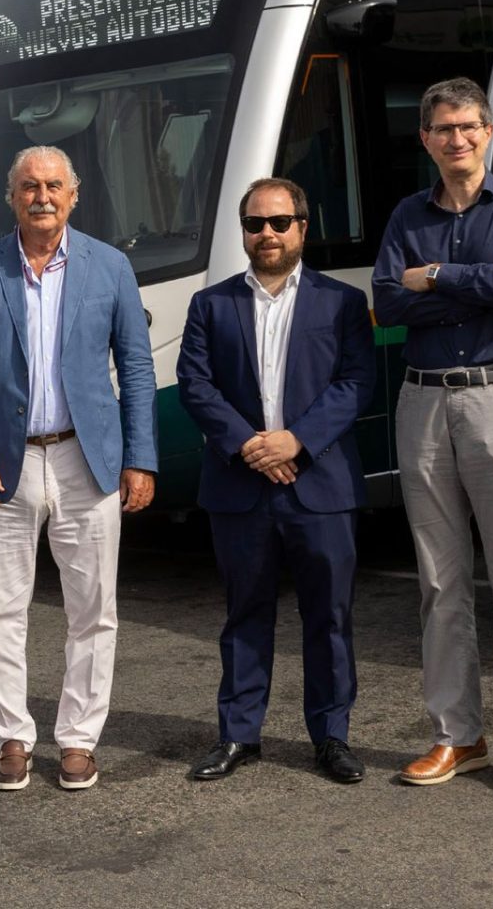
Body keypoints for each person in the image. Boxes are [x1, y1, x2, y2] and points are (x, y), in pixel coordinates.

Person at [0, 145, 156, 793]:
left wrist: (140, 457)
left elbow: (138, 369)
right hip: (1, 465)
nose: (42, 195)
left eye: (53, 185)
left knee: (93, 609)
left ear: (74, 193)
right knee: (0, 609)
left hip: (84, 459)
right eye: (29, 185)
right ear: (12, 197)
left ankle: (79, 740)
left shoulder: (110, 267)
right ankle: (11, 735)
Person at [372, 76, 493, 800]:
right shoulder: (405, 214)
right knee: (440, 583)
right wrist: (480, 279)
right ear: (426, 140)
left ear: (488, 132)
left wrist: (437, 277)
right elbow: (386, 302)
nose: (459, 139)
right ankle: (458, 736)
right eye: (444, 129)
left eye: (470, 127)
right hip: (422, 405)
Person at [176, 178, 377, 785]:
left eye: (279, 222)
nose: (267, 233)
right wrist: (249, 446)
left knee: (330, 616)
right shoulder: (210, 304)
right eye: (255, 223)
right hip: (241, 486)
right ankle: (239, 735)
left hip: (320, 485)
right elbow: (196, 384)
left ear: (303, 227)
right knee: (244, 614)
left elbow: (356, 382)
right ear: (242, 231)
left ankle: (332, 736)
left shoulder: (341, 302)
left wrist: (297, 441)